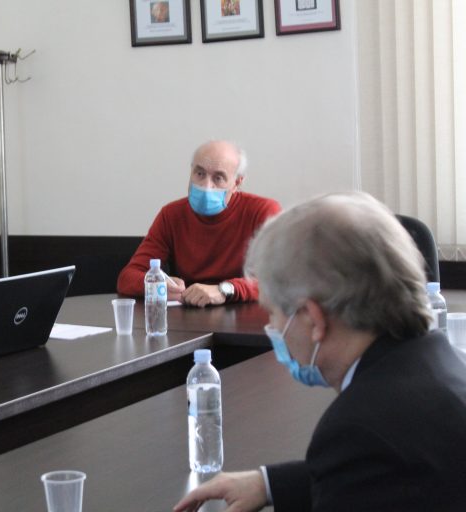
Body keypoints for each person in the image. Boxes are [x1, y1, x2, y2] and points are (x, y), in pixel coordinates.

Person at [174, 192, 466, 512]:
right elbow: (384, 473)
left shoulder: (359, 427)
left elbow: (372, 457)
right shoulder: (444, 363)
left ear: (313, 319)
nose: (272, 327)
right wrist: (268, 484)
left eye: (273, 312)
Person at [116, 140, 280, 307]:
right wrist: (157, 285)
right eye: (200, 173)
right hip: (190, 313)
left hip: (245, 315)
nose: (206, 186)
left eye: (218, 178)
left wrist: (225, 290)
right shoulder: (172, 215)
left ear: (237, 183)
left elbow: (278, 280)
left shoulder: (263, 211)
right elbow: (127, 278)